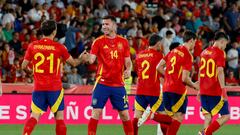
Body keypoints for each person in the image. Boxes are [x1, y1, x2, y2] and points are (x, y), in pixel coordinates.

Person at [21, 20, 86, 135]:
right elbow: (74, 63)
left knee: (34, 117)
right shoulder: (59, 47)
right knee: (59, 118)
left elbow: (23, 66)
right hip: (54, 88)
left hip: (38, 88)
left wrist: (30, 72)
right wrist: (81, 58)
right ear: (54, 32)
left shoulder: (33, 46)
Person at [84, 15, 134, 135]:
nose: (104, 27)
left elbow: (128, 61)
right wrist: (85, 58)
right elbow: (91, 60)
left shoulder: (123, 42)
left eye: (107, 24)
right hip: (102, 83)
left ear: (114, 25)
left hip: (118, 84)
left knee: (124, 114)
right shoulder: (98, 41)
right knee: (96, 112)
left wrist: (129, 69)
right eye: (103, 24)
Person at [156, 30, 199, 135]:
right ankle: (152, 116)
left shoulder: (173, 51)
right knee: (178, 117)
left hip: (166, 88)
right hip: (177, 90)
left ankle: (153, 115)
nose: (195, 44)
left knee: (170, 118)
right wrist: (194, 85)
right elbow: (184, 78)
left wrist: (170, 77)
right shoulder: (187, 55)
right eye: (195, 42)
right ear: (191, 40)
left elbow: (158, 67)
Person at [132, 34, 166, 135]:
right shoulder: (159, 56)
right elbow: (160, 75)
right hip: (153, 90)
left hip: (140, 89)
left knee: (136, 117)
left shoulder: (139, 55)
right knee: (163, 115)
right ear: (158, 43)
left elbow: (138, 71)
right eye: (161, 43)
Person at [198, 32, 230, 135]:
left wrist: (199, 89)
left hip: (203, 90)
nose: (225, 46)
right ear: (222, 41)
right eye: (225, 44)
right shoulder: (220, 53)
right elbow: (220, 71)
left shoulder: (204, 52)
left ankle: (205, 133)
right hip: (214, 90)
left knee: (208, 116)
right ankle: (204, 133)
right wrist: (223, 89)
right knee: (226, 116)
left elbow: (200, 71)